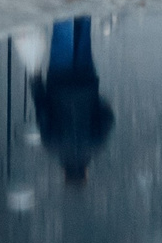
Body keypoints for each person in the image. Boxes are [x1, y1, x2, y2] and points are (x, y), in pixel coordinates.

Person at [30, 16, 116, 184]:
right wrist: (36, 83)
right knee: (63, 35)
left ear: (85, 172)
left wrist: (96, 102)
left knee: (83, 35)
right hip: (58, 84)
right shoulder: (52, 146)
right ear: (64, 173)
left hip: (86, 84)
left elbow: (108, 118)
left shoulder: (95, 144)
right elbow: (43, 112)